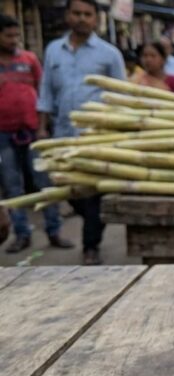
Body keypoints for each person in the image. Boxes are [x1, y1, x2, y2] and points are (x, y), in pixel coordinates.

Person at [37, 0, 125, 265]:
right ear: (67, 15)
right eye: (77, 13)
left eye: (88, 14)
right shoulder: (54, 50)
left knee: (94, 193)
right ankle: (93, 226)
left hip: (97, 136)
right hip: (63, 134)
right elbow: (46, 91)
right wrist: (41, 127)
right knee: (70, 191)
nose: (82, 18)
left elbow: (122, 96)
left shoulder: (110, 54)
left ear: (96, 18)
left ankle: (90, 246)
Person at [0, 14, 73, 254]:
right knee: (12, 186)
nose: (13, 40)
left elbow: (44, 94)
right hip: (3, 134)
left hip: (32, 130)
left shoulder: (29, 59)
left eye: (16, 35)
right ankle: (22, 233)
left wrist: (42, 127)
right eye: (8, 36)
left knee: (45, 183)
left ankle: (54, 230)